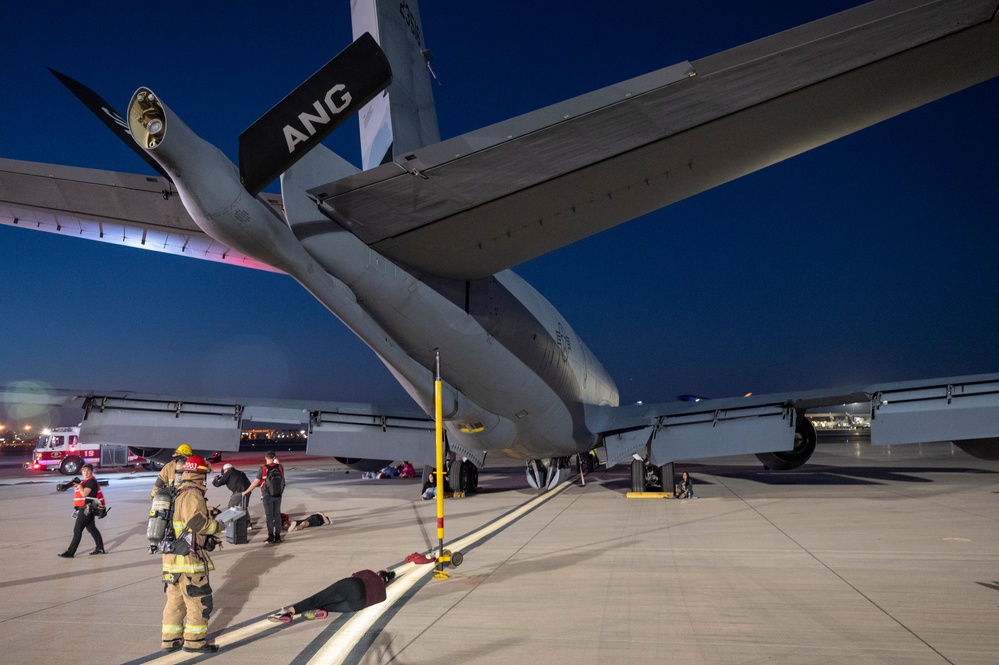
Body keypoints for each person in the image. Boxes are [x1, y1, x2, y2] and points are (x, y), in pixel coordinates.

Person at [161, 455, 226, 654]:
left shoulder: (176, 493)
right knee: (199, 602)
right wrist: (218, 525)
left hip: (171, 560)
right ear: (199, 475)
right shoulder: (193, 495)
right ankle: (194, 642)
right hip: (189, 560)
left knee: (175, 602)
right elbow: (196, 523)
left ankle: (170, 640)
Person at [267, 569, 395, 623]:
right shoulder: (383, 595)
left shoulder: (370, 573)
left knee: (319, 598)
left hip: (354, 586)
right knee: (328, 605)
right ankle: (321, 611)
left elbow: (354, 575)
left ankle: (289, 612)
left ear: (379, 573)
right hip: (358, 604)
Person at [58, 463, 106, 557]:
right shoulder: (87, 481)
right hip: (88, 508)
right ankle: (100, 548)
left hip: (86, 509)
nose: (86, 473)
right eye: (84, 471)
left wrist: (79, 486)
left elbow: (84, 494)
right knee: (92, 528)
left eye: (88, 471)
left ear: (92, 471)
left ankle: (70, 552)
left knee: (77, 530)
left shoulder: (91, 482)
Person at [242, 451, 284, 543]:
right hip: (278, 494)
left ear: (265, 457)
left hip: (267, 494)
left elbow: (255, 483)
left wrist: (246, 491)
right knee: (277, 515)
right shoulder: (280, 467)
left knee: (269, 516)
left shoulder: (263, 468)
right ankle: (278, 536)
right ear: (274, 457)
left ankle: (270, 536)